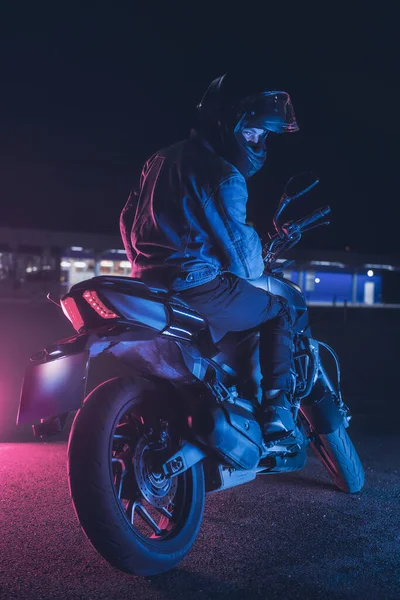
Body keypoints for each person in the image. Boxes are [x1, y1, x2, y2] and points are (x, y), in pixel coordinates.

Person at [120, 71, 300, 440]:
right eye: (251, 132)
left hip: (146, 284)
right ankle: (277, 408)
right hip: (195, 287)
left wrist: (143, 264)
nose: (257, 141)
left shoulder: (159, 159)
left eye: (262, 135)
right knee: (279, 311)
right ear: (226, 125)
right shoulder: (223, 175)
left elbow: (127, 220)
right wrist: (253, 258)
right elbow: (243, 262)